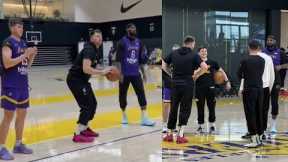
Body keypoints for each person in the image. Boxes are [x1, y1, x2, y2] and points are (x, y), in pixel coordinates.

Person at [0, 18, 37, 160]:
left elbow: (26, 66)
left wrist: (31, 55)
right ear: (11, 28)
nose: (21, 29)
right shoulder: (8, 43)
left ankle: (18, 144)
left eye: (22, 27)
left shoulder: (23, 43)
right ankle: (1, 147)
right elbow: (7, 63)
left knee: (22, 115)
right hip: (10, 85)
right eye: (18, 26)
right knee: (8, 117)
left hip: (23, 85)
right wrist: (25, 54)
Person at [66, 29, 111, 143]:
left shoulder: (95, 50)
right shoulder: (89, 49)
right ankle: (77, 134)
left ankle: (84, 128)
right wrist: (102, 73)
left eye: (100, 36)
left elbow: (92, 67)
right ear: (91, 38)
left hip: (82, 80)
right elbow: (86, 69)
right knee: (86, 106)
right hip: (76, 80)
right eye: (96, 36)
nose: (99, 38)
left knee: (93, 104)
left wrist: (105, 70)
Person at [162, 36, 208, 144]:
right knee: (185, 109)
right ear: (192, 44)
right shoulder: (194, 55)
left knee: (173, 108)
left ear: (184, 43)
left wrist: (170, 73)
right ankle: (180, 135)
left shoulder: (174, 53)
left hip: (175, 83)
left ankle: (169, 134)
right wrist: (196, 74)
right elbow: (205, 67)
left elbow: (163, 64)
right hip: (187, 84)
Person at [115, 23, 155, 126]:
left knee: (141, 93)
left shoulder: (139, 42)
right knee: (122, 95)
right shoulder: (122, 42)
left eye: (135, 28)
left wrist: (144, 73)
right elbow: (118, 61)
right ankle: (124, 115)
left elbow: (141, 60)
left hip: (135, 74)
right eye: (132, 28)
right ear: (127, 29)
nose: (134, 29)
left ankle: (144, 117)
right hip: (124, 74)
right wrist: (120, 74)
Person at [240, 44, 275, 141]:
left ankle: (252, 132)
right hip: (264, 87)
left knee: (251, 111)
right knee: (263, 110)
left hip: (251, 87)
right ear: (260, 48)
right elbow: (272, 75)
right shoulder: (267, 58)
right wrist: (269, 88)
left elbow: (243, 76)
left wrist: (241, 87)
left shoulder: (247, 59)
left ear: (249, 48)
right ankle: (261, 132)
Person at [193, 47, 231, 134]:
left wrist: (227, 81)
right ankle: (200, 126)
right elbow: (193, 77)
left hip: (211, 88)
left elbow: (222, 71)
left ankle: (212, 126)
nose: (204, 52)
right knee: (200, 108)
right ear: (198, 53)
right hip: (199, 89)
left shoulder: (213, 62)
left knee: (211, 108)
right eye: (202, 51)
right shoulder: (195, 63)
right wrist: (200, 71)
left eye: (205, 51)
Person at [238, 40, 265, 148]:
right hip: (260, 88)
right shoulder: (262, 60)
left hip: (249, 89)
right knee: (259, 112)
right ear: (258, 47)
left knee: (250, 113)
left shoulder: (245, 60)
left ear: (249, 47)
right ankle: (259, 137)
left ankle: (254, 139)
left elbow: (240, 74)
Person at [262, 35, 281, 133]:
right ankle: (264, 126)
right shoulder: (263, 52)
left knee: (274, 102)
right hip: (265, 80)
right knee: (264, 103)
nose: (269, 41)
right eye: (267, 40)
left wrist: (280, 66)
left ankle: (273, 126)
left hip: (276, 81)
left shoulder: (280, 52)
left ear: (275, 41)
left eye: (271, 40)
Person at [162, 44, 180, 133]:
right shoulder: (167, 60)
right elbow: (163, 67)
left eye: (177, 51)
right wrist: (169, 75)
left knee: (175, 106)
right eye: (174, 51)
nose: (175, 53)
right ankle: (164, 125)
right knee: (166, 105)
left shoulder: (182, 61)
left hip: (178, 86)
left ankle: (173, 125)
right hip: (168, 86)